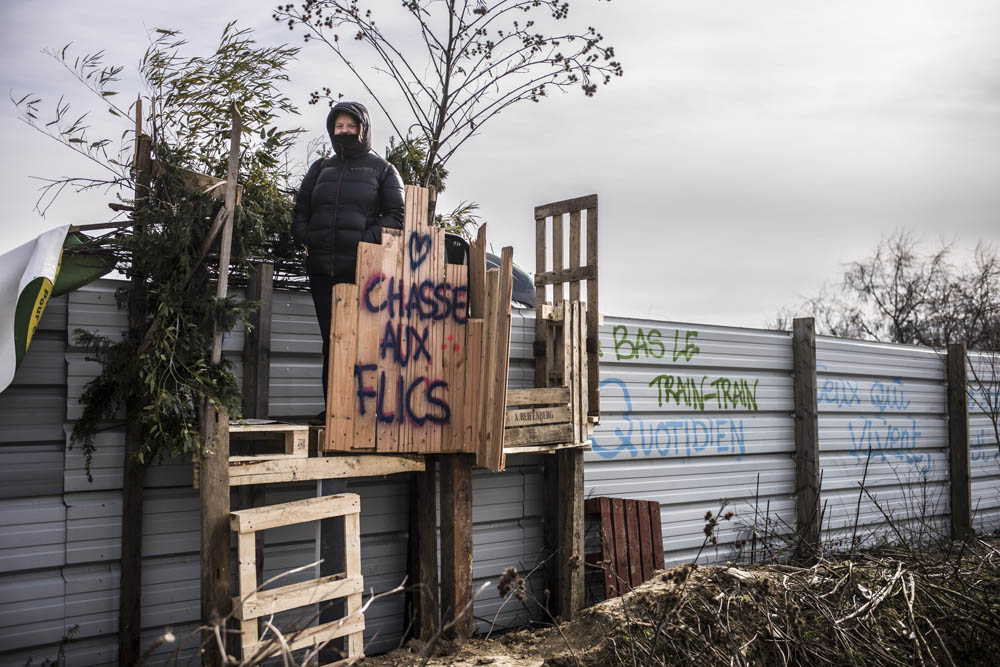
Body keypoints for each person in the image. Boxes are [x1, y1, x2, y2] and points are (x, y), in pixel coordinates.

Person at [292, 101, 405, 422]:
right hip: (322, 270)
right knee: (332, 339)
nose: (344, 132)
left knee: (362, 340)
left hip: (363, 271)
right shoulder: (320, 168)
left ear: (363, 129)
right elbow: (301, 210)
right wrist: (306, 235)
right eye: (338, 127)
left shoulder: (383, 169)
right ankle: (335, 410)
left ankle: (365, 412)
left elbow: (397, 215)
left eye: (350, 126)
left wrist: (363, 242)